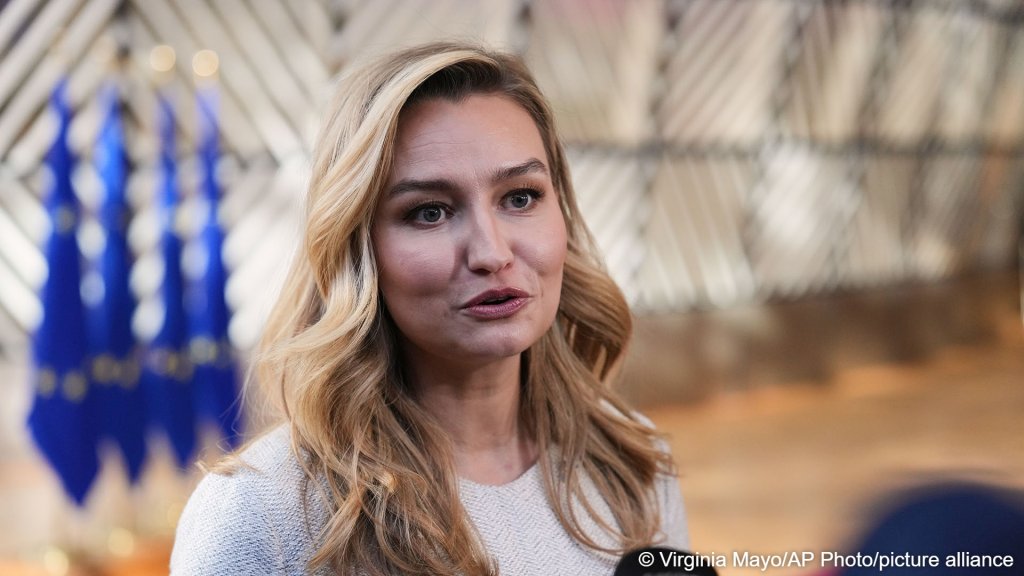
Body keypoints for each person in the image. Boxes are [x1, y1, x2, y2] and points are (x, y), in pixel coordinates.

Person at [170, 41, 689, 576]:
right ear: (358, 247)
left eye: (520, 197)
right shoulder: (264, 517)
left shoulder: (631, 465)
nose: (492, 253)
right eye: (430, 212)